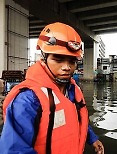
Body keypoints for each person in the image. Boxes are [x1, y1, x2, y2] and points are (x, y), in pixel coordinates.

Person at [0, 22, 104, 154]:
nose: (67, 67)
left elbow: (76, 118)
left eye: (72, 61)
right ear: (43, 58)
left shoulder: (72, 89)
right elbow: (14, 149)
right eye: (58, 60)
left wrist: (92, 139)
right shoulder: (28, 99)